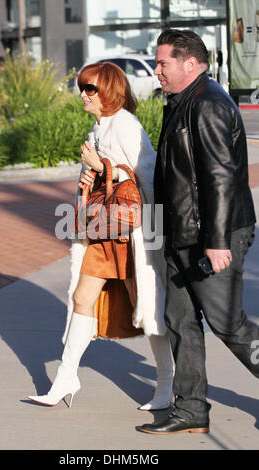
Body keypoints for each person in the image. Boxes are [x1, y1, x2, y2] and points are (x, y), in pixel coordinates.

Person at [28, 62, 174, 410]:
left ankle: (167, 380)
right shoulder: (98, 128)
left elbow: (148, 178)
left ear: (109, 90)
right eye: (82, 87)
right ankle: (66, 377)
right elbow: (97, 183)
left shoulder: (125, 124)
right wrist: (89, 180)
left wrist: (102, 169)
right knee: (82, 297)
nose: (83, 94)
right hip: (103, 232)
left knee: (147, 303)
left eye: (90, 89)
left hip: (133, 232)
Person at [139, 29, 259, 435]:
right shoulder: (182, 101)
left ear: (190, 63)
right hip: (183, 235)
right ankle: (191, 409)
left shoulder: (206, 104)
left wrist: (218, 241)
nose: (157, 71)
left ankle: (191, 407)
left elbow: (220, 179)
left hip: (213, 236)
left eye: (163, 63)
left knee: (230, 325)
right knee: (180, 320)